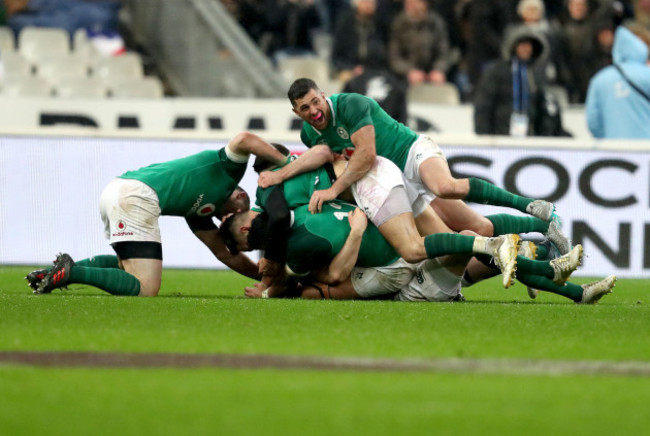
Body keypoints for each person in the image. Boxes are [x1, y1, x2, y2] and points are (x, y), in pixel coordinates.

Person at [258, 78, 569, 255]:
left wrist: (332, 190)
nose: (313, 111)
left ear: (323, 95)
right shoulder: (308, 133)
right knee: (480, 230)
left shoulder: (350, 104)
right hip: (395, 184)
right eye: (305, 108)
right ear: (296, 112)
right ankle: (545, 241)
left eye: (315, 102)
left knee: (445, 186)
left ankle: (534, 207)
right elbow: (328, 158)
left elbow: (365, 156)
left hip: (410, 153)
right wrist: (282, 174)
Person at [26, 132, 289, 297]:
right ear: (241, 197)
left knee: (126, 267)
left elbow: (223, 253)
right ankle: (71, 272)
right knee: (146, 287)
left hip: (118, 189)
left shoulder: (199, 213)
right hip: (136, 196)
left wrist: (266, 277)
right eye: (235, 215)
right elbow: (244, 140)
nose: (226, 220)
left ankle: (54, 273)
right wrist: (286, 164)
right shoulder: (228, 172)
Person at [236, 202, 604, 304]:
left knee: (479, 247)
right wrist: (359, 231)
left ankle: (544, 254)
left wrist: (270, 286)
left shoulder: (305, 265)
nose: (266, 268)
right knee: (467, 238)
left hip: (413, 272)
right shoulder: (316, 286)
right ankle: (565, 281)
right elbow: (344, 278)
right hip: (417, 288)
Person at [473, 26, 554, 137]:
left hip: (530, 135)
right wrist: (483, 135)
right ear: (513, 46)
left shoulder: (537, 73)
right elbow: (484, 104)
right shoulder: (497, 71)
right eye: (522, 44)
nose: (526, 48)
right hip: (499, 135)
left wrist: (545, 136)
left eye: (529, 45)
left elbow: (544, 107)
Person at [585, 24, 650, 139]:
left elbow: (593, 122)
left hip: (614, 149)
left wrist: (607, 140)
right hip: (645, 148)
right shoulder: (647, 74)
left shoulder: (599, 79)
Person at [387, 0, 450, 86]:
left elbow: (443, 53)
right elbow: (394, 57)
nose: (413, 5)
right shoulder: (399, 24)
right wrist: (409, 71)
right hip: (406, 75)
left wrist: (438, 70)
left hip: (431, 73)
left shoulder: (435, 23)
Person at [330, 0, 388, 84]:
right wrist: (352, 68)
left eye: (372, 2)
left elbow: (383, 54)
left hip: (374, 71)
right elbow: (336, 57)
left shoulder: (380, 24)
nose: (369, 5)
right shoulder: (346, 23)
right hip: (350, 69)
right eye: (366, 2)